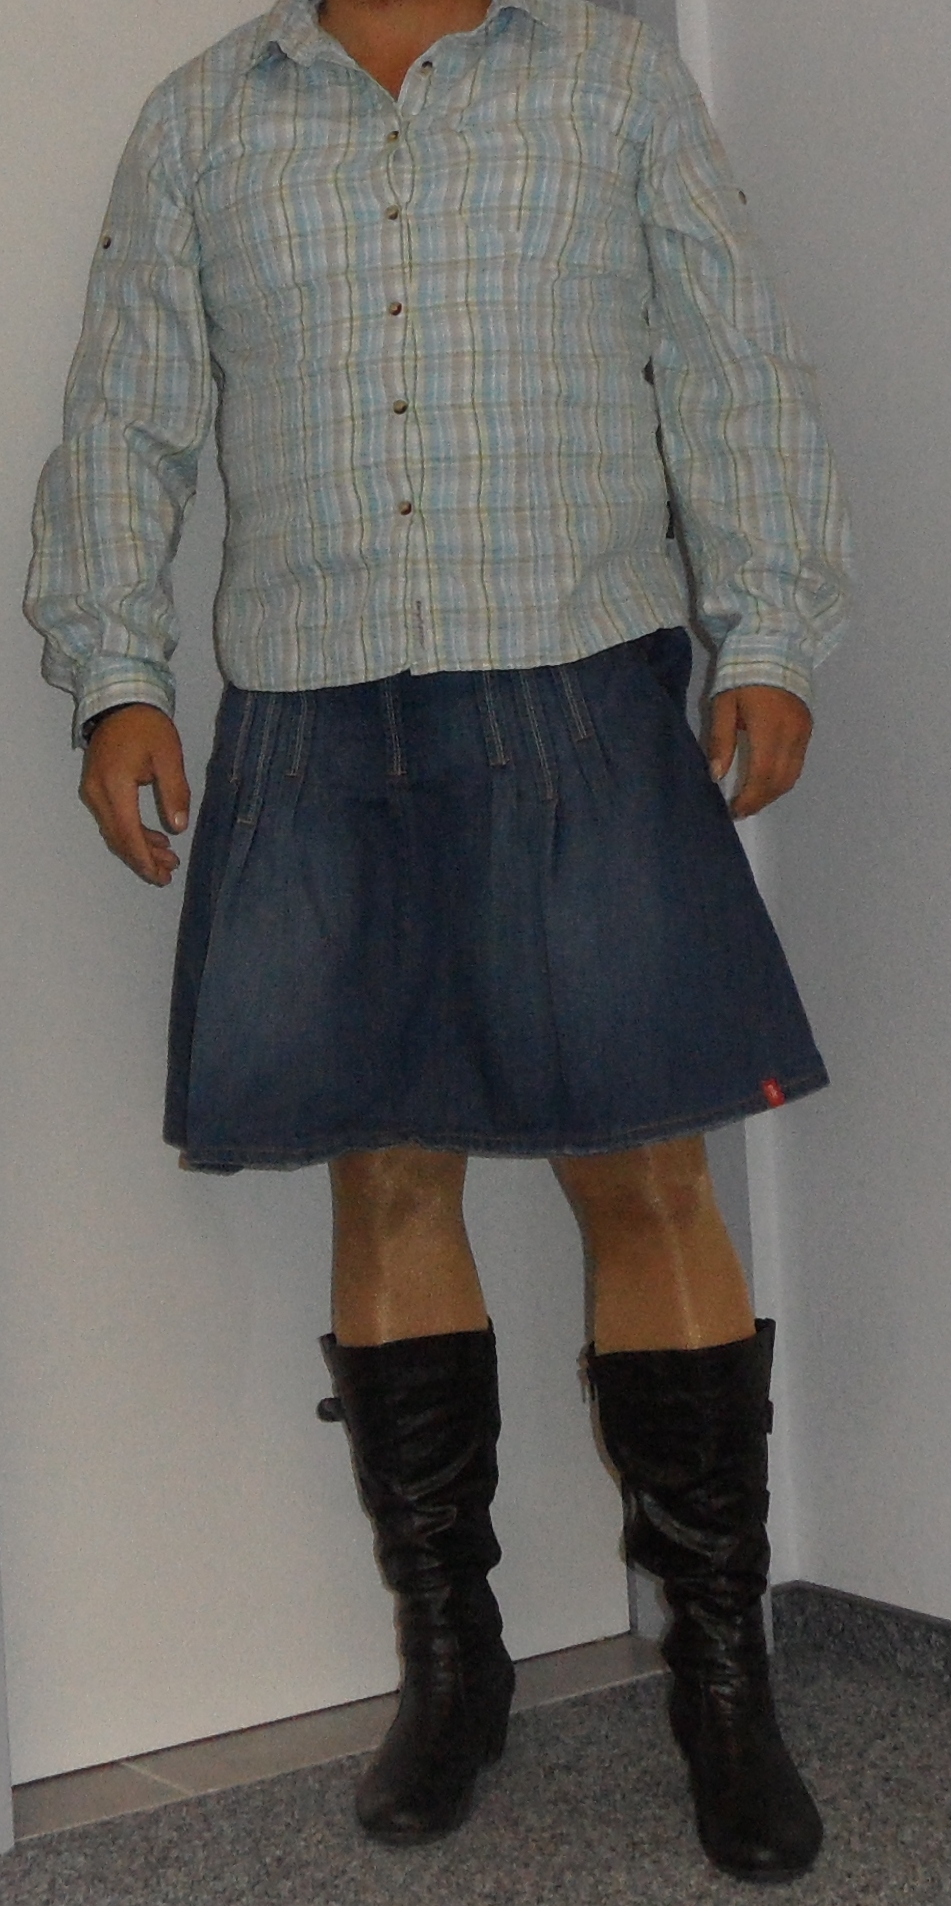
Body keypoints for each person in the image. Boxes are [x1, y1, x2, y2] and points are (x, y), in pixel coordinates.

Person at [24, 0, 850, 1882]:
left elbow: (734, 365)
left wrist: (775, 630)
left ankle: (725, 1681)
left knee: (647, 1175)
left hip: (576, 688)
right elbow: (127, 412)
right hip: (315, 715)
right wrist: (117, 674)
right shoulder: (202, 120)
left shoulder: (613, 79)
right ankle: (453, 1663)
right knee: (386, 1171)